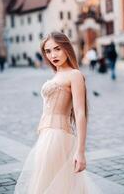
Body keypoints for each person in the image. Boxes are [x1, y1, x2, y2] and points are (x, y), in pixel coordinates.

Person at [14, 32, 103, 194]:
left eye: (57, 49)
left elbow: (80, 113)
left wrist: (80, 151)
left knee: (56, 185)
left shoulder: (74, 75)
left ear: (66, 48)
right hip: (46, 135)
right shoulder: (57, 74)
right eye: (48, 51)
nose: (52, 55)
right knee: (48, 183)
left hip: (59, 136)